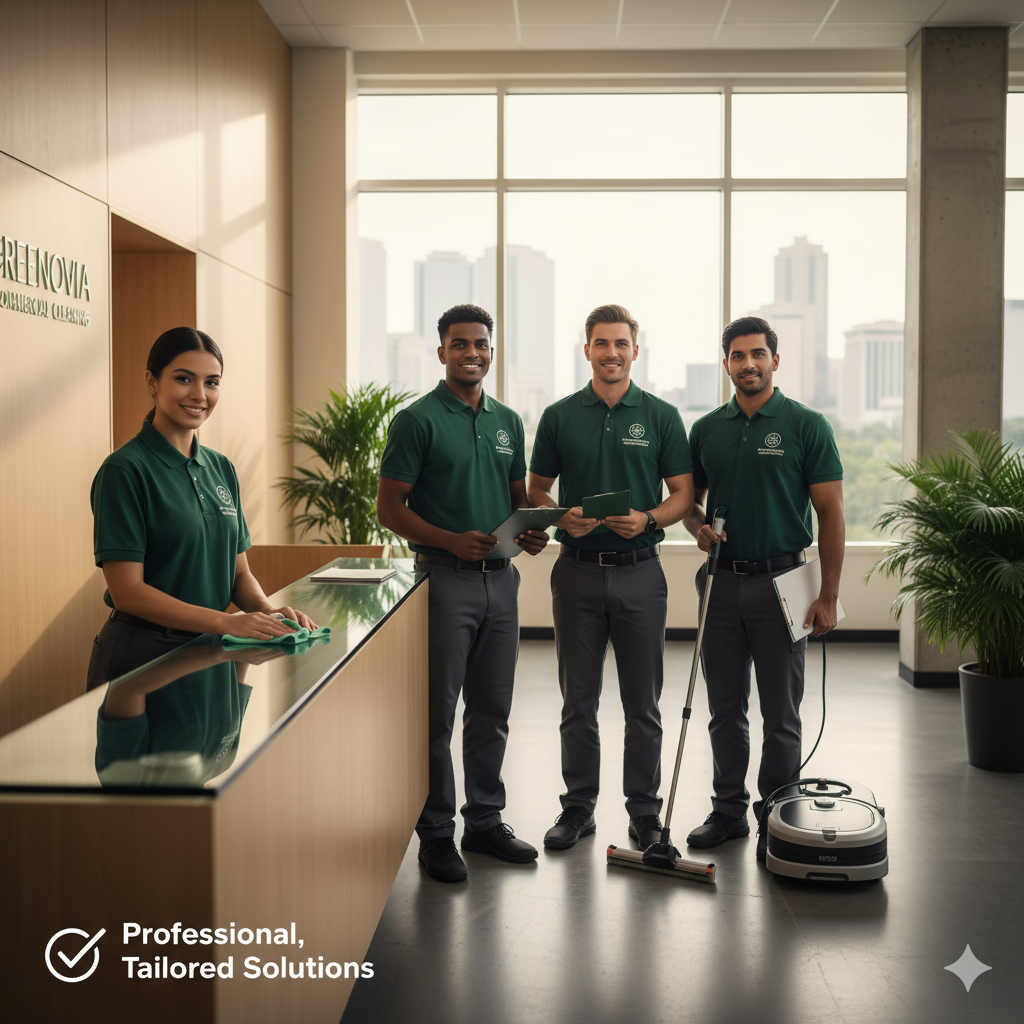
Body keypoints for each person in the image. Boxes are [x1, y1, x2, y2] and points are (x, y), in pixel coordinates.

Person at [376, 303, 549, 883]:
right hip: (442, 582)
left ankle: (484, 821)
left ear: (491, 352)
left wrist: (527, 531)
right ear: (442, 351)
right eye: (460, 344)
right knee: (437, 717)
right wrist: (450, 539)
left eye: (481, 344)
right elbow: (389, 508)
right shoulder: (417, 420)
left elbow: (515, 496)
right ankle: (435, 834)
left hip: (503, 581)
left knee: (492, 711)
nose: (472, 353)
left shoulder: (508, 421)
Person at [527, 304, 694, 851]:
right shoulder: (558, 416)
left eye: (621, 344)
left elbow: (683, 496)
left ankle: (645, 813)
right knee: (578, 701)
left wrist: (648, 519)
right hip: (574, 574)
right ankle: (578, 807)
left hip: (641, 575)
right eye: (602, 344)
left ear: (634, 351)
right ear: (588, 351)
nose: (612, 353)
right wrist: (558, 515)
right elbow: (536, 490)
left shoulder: (663, 416)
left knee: (642, 703)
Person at [682, 316, 844, 859]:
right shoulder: (706, 429)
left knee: (782, 712)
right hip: (722, 583)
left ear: (776, 360)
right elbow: (688, 501)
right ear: (725, 363)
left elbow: (831, 512)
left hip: (787, 580)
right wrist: (697, 526)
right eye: (736, 355)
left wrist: (827, 594)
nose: (747, 364)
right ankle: (727, 811)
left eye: (758, 354)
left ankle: (778, 809)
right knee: (724, 707)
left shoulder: (806, 425)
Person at [88, 327, 316, 692]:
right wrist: (227, 623)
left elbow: (238, 573)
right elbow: (127, 591)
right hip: (143, 655)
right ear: (152, 381)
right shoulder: (125, 470)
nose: (199, 394)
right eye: (183, 379)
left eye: (212, 382)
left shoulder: (221, 467)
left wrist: (265, 611)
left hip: (211, 648)